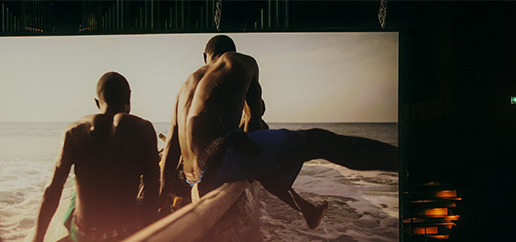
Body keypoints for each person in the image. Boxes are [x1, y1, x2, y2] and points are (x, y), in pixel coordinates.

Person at [160, 35, 398, 229]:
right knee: (316, 140)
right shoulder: (240, 61)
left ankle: (308, 210)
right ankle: (404, 161)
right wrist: (250, 146)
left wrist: (160, 196)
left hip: (192, 175)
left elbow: (171, 144)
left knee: (263, 154)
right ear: (231, 51)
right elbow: (254, 117)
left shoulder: (186, 85)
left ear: (205, 56)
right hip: (216, 163)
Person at [27, 72, 161, 242]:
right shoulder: (144, 129)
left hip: (85, 237)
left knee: (75, 192)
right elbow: (152, 188)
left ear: (97, 102)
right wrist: (148, 236)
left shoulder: (74, 131)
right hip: (126, 233)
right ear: (129, 100)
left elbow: (53, 188)